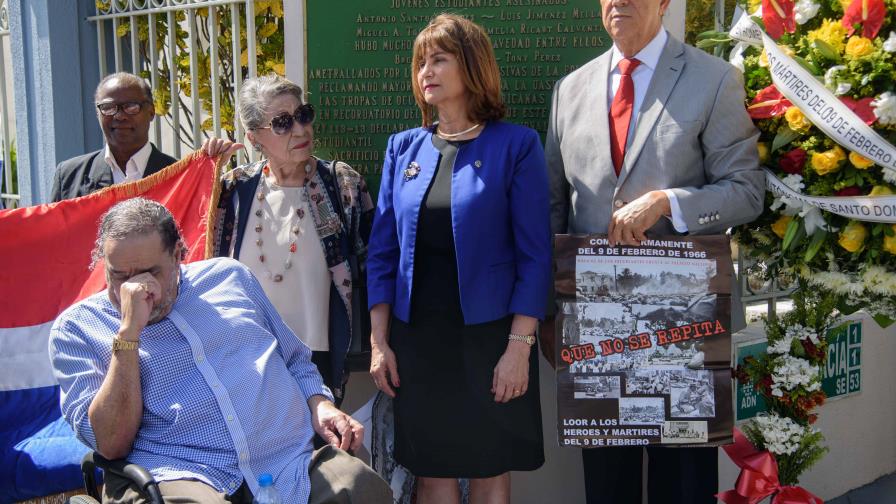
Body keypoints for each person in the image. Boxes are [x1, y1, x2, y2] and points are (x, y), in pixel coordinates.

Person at [545, 0, 765, 502]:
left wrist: (669, 202)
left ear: (665, 3)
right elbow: (553, 207)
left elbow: (747, 192)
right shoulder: (569, 90)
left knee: (683, 484)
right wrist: (548, 310)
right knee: (607, 483)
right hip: (596, 332)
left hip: (685, 329)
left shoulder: (712, 80)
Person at [48, 198, 391, 504]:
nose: (138, 288)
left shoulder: (230, 278)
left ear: (179, 255)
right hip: (182, 472)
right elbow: (110, 443)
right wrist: (128, 334)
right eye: (120, 275)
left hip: (287, 459)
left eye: (152, 272)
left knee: (362, 487)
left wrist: (321, 404)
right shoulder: (78, 329)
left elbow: (294, 359)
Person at [366, 14, 551, 504]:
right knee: (432, 472)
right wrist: (379, 341)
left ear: (471, 67)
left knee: (490, 469)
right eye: (421, 61)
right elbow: (382, 252)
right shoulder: (402, 148)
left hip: (492, 340)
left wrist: (518, 348)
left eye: (440, 59)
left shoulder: (517, 145)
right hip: (418, 342)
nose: (426, 70)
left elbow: (536, 256)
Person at [204, 74, 373, 402]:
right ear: (255, 139)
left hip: (317, 358)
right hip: (246, 358)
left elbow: (375, 267)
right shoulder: (231, 191)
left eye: (303, 115)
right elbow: (195, 257)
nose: (300, 129)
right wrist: (205, 172)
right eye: (282, 123)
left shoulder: (342, 185)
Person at [50, 72, 176, 202]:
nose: (120, 116)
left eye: (131, 106)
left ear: (151, 112)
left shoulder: (179, 175)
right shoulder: (69, 176)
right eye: (108, 107)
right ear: (97, 114)